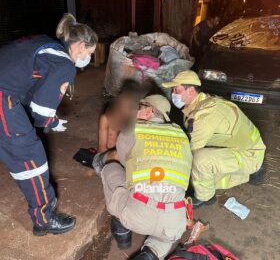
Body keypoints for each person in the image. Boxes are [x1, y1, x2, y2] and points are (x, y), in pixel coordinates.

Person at [0, 13, 98, 235]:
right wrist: (50, 121)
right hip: (1, 97)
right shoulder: (64, 63)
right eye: (89, 54)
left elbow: (28, 86)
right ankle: (44, 217)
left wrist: (38, 121)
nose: (88, 60)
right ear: (81, 46)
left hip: (6, 91)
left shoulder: (47, 45)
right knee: (31, 157)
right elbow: (42, 111)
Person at [92, 95, 192, 260]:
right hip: (174, 222)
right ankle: (150, 254)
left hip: (137, 216)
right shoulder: (182, 135)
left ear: (149, 111)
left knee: (111, 168)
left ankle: (122, 230)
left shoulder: (133, 131)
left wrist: (100, 160)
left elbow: (124, 165)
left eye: (139, 106)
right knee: (166, 237)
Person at [162, 70, 266, 209]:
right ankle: (249, 174)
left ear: (191, 90)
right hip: (239, 147)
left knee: (200, 162)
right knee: (202, 176)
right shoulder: (200, 104)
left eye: (176, 89)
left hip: (249, 155)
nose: (173, 93)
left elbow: (190, 153)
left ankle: (205, 197)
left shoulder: (205, 114)